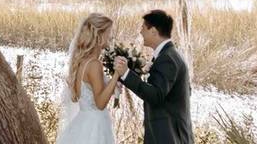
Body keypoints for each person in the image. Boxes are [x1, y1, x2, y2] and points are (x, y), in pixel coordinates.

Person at [114, 9, 194, 144]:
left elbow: (156, 95)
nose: (140, 32)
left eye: (143, 27)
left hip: (168, 136)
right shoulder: (170, 54)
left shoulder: (167, 58)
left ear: (153, 31)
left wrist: (126, 74)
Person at [55, 13, 121, 144]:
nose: (110, 37)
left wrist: (112, 86)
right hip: (95, 126)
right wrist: (116, 75)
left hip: (83, 121)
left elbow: (93, 94)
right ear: (99, 36)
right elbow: (100, 104)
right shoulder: (94, 65)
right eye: (108, 33)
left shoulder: (83, 62)